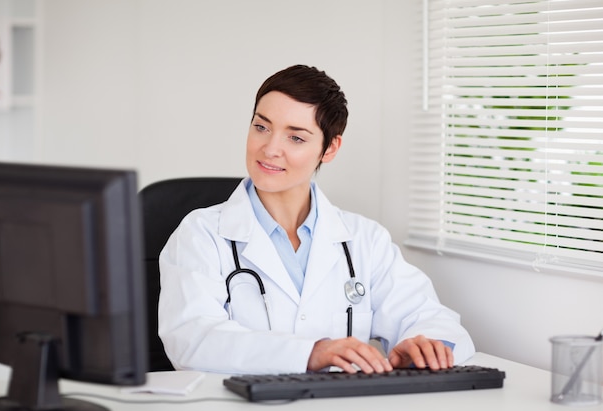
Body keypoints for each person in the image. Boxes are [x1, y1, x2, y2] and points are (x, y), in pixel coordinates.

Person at [158, 64, 475, 375]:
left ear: (330, 148)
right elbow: (191, 340)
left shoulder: (364, 239)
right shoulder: (200, 234)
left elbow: (427, 316)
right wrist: (310, 353)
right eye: (261, 127)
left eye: (295, 138)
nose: (270, 148)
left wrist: (425, 345)